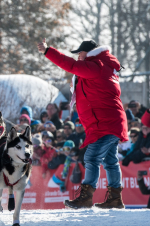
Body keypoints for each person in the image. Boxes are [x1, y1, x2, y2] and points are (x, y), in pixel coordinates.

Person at [38, 39, 128, 209]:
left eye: (80, 53)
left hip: (105, 123)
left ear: (89, 53)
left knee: (91, 157)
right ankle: (115, 198)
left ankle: (86, 197)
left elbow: (69, 65)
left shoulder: (96, 66)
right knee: (110, 161)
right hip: (110, 121)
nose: (78, 56)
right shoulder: (104, 66)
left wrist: (48, 51)